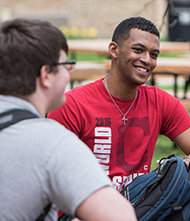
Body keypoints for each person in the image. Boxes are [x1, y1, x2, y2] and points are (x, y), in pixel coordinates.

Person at [48, 16, 190, 191]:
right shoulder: (72, 105)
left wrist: (179, 168)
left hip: (141, 208)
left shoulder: (160, 102)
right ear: (114, 50)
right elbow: (50, 173)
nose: (147, 60)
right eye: (138, 50)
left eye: (153, 55)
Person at [0, 18, 136, 221]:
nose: (68, 74)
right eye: (66, 64)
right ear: (46, 74)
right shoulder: (52, 142)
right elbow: (120, 216)